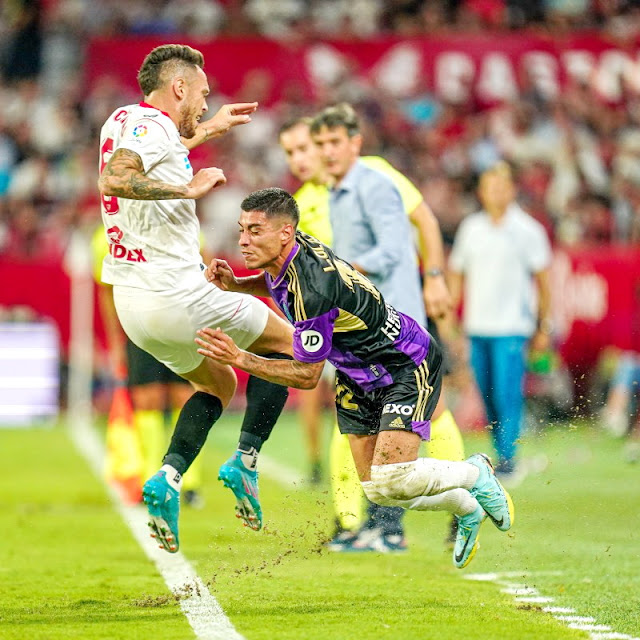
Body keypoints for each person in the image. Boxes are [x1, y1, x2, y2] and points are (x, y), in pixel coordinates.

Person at [195, 187, 515, 569]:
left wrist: (238, 358)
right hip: (356, 372)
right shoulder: (291, 253)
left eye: (255, 230)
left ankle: (475, 471)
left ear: (284, 233)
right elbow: (281, 285)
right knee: (379, 489)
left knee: (394, 474)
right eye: (242, 229)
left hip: (403, 363)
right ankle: (467, 508)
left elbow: (307, 375)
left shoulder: (314, 287)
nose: (243, 240)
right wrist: (239, 284)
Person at [97, 44, 295, 553]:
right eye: (203, 95)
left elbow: (165, 145)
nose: (206, 103)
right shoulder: (154, 129)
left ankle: (166, 476)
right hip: (176, 294)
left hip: (135, 307)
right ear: (178, 88)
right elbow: (115, 179)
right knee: (290, 346)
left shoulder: (124, 119)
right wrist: (187, 190)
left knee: (221, 383)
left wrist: (212, 130)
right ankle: (246, 462)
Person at [296, 104, 465, 550]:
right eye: (320, 145)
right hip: (369, 329)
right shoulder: (337, 191)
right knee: (371, 427)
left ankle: (427, 512)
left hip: (397, 328)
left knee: (396, 427)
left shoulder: (375, 183)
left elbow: (394, 248)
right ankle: (377, 525)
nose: (326, 152)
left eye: (334, 142)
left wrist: (344, 272)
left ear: (355, 143)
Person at [448, 162, 553, 481]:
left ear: (512, 190)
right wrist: (451, 313)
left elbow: (543, 282)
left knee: (508, 393)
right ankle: (501, 451)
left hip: (512, 327)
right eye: (490, 187)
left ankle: (508, 456)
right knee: (487, 392)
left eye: (502, 186)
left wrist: (542, 327)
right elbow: (457, 271)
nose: (496, 193)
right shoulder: (471, 228)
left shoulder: (528, 230)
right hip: (478, 326)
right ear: (481, 192)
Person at [90, 226, 204, 507]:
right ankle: (152, 476)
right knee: (147, 400)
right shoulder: (107, 235)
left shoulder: (178, 223)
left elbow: (206, 271)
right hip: (138, 326)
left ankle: (188, 480)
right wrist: (116, 343)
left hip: (182, 324)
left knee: (185, 398)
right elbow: (107, 291)